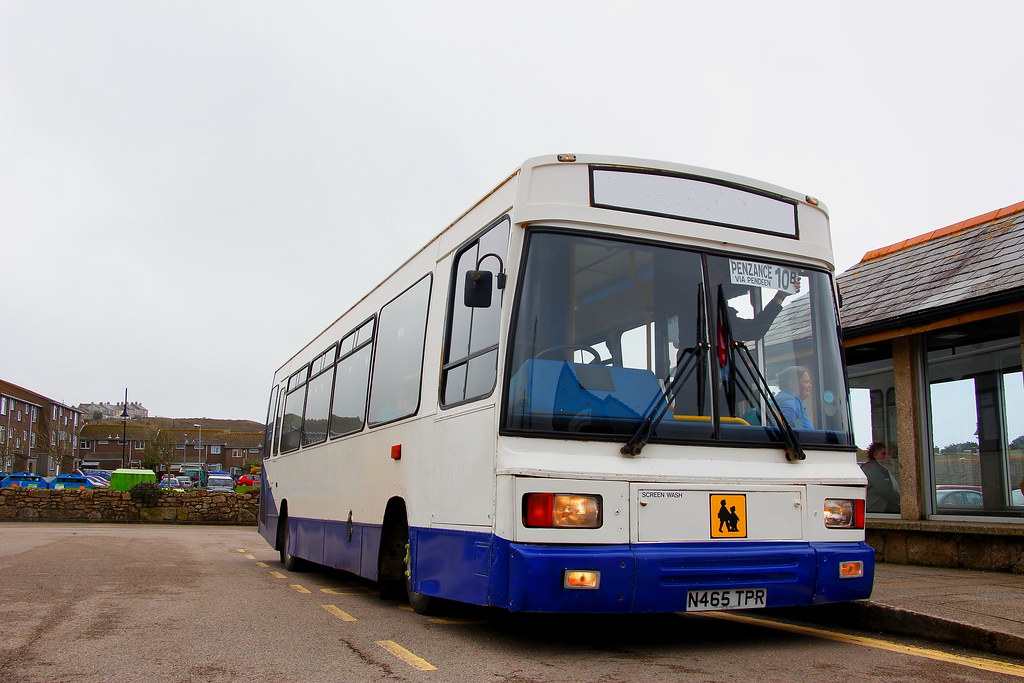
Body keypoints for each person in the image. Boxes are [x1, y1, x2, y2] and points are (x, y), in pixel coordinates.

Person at [861, 441, 900, 513]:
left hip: (881, 505)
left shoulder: (881, 468)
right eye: (884, 454)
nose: (887, 457)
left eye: (889, 454)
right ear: (875, 454)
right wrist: (900, 500)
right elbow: (883, 489)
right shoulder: (872, 468)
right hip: (877, 507)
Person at [773, 365, 813, 430]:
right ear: (792, 384)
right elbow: (781, 429)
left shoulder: (782, 398)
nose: (810, 386)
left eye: (809, 382)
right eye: (806, 382)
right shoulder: (789, 402)